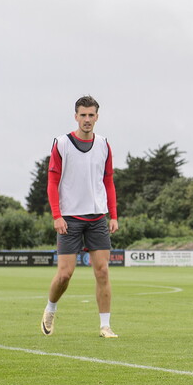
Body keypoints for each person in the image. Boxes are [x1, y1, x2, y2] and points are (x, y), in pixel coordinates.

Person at [40, 95, 120, 338]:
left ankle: (105, 325)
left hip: (97, 217)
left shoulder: (104, 144)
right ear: (75, 116)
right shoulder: (62, 143)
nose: (87, 119)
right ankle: (50, 309)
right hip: (69, 218)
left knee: (102, 271)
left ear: (97, 117)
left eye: (91, 115)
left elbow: (108, 182)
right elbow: (52, 182)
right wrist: (57, 215)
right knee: (65, 274)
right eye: (82, 115)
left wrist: (113, 215)